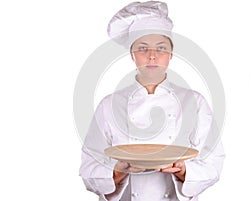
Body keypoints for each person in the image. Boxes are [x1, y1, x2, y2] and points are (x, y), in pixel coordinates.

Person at [79, 1, 225, 201]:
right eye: (143, 48)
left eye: (161, 48)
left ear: (170, 55)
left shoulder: (195, 102)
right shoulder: (109, 105)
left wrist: (183, 171)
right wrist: (119, 171)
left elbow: (214, 161)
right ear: (132, 55)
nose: (152, 56)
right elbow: (89, 164)